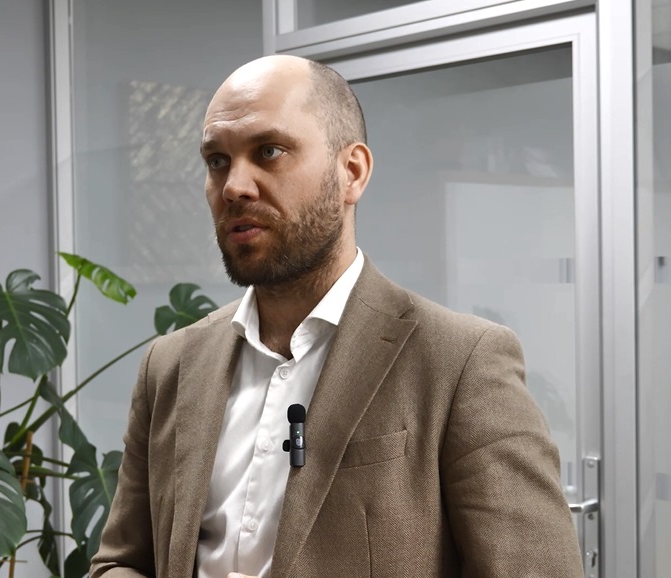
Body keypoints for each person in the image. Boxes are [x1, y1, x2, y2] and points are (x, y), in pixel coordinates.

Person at [90, 54, 583, 578]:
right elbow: (120, 562)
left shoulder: (459, 363)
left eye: (269, 151)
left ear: (352, 172)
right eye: (217, 161)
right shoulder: (171, 366)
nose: (234, 185)